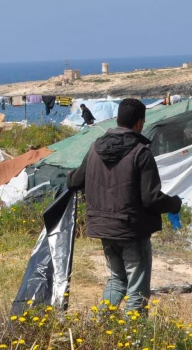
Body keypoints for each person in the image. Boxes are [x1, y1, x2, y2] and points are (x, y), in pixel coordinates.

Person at [66, 98, 183, 314]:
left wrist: (71, 174)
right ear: (139, 123)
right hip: (131, 229)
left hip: (103, 227)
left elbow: (74, 181)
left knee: (117, 279)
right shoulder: (141, 152)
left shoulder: (95, 148)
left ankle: (100, 324)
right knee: (137, 289)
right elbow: (151, 199)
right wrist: (174, 204)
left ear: (118, 119)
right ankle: (135, 331)